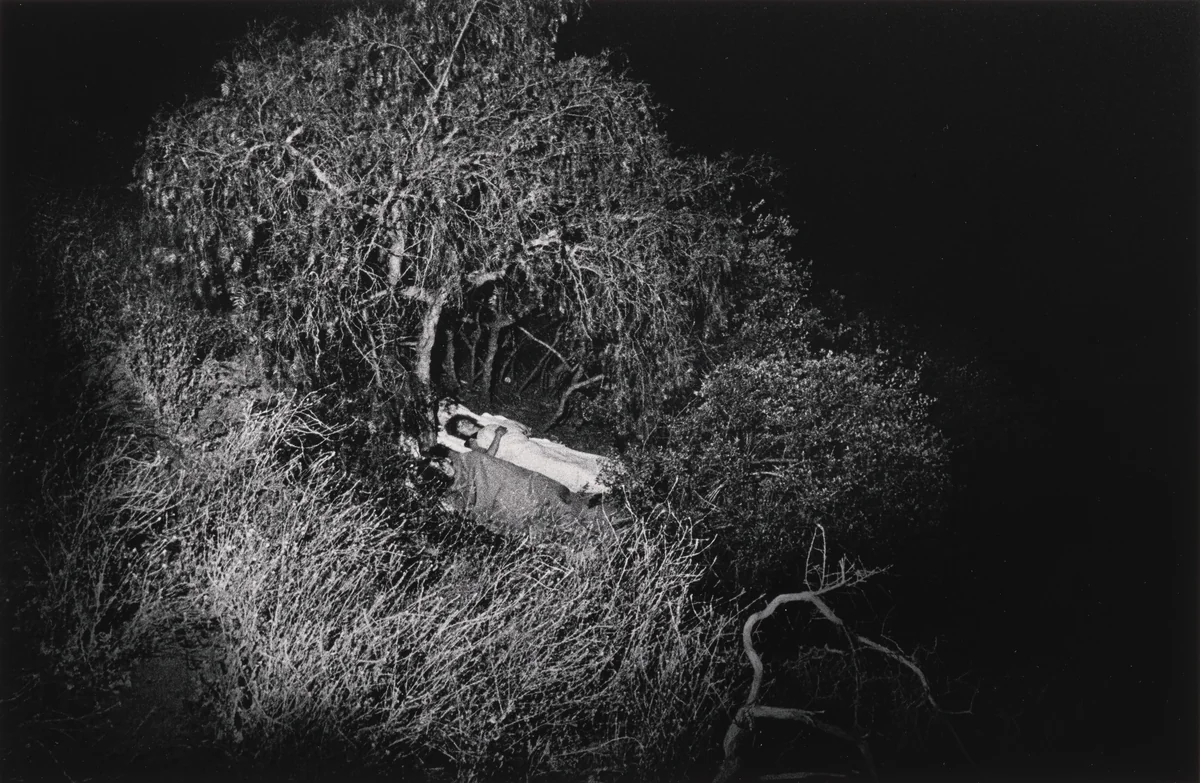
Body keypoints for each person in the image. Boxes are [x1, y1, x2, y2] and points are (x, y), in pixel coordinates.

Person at [443, 414, 610, 495]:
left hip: (532, 446)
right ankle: (603, 486)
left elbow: (522, 430)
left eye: (463, 420)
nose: (464, 423)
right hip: (523, 456)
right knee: (566, 469)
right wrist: (499, 436)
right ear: (461, 434)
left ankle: (611, 473)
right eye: (460, 426)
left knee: (574, 458)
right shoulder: (473, 442)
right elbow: (488, 457)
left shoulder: (489, 425)